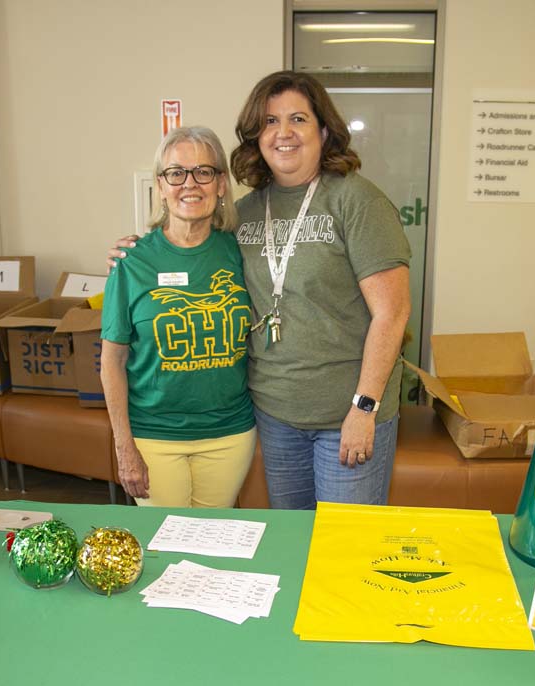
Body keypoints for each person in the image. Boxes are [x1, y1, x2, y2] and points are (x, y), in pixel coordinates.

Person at [110, 71, 411, 510]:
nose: (283, 133)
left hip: (345, 414)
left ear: (324, 131)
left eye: (298, 119)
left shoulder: (357, 202)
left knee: (343, 548)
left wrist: (364, 409)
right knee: (290, 541)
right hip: (275, 416)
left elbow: (393, 314)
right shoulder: (245, 214)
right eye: (270, 121)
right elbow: (184, 242)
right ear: (257, 135)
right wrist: (132, 253)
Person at [100, 127, 256, 508]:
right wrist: (124, 446)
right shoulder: (132, 262)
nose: (190, 183)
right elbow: (111, 360)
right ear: (160, 185)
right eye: (176, 173)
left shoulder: (242, 253)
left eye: (204, 172)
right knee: (167, 544)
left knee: (213, 543)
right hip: (154, 436)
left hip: (230, 434)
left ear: (221, 184)